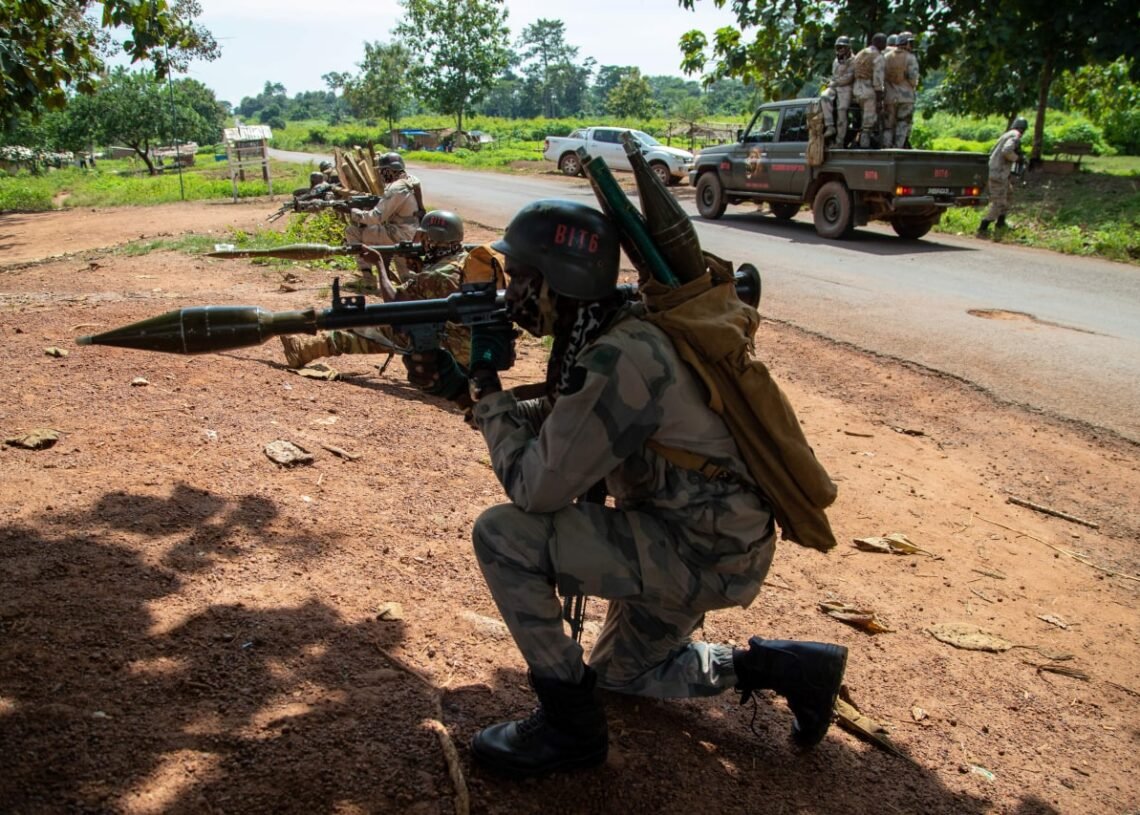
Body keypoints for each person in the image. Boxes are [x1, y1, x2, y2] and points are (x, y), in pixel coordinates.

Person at [404, 199, 848, 778]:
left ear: (558, 280)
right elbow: (571, 421)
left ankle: (570, 727)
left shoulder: (622, 355)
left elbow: (536, 489)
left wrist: (488, 388)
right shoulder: (614, 327)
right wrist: (469, 395)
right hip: (703, 539)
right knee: (623, 674)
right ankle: (788, 668)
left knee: (504, 535)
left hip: (700, 554)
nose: (510, 293)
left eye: (522, 278)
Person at [280, 210, 472, 369]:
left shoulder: (436, 275)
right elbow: (440, 290)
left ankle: (305, 349)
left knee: (381, 326)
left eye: (424, 237)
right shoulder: (465, 260)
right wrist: (421, 269)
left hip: (457, 349)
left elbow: (396, 307)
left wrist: (380, 265)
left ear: (434, 239)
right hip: (473, 344)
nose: (420, 242)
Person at [345, 152, 420, 290]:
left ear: (389, 170)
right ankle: (409, 284)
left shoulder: (396, 188)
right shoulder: (410, 180)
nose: (380, 174)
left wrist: (353, 212)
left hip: (399, 234)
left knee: (353, 232)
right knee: (407, 278)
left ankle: (368, 278)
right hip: (412, 232)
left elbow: (375, 217)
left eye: (382, 171)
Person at [978, 117, 1029, 237]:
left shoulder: (1008, 134)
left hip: (999, 172)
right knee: (999, 202)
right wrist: (1018, 158)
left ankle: (1001, 223)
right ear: (1023, 129)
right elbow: (1006, 151)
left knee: (1008, 195)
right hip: (998, 174)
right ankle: (984, 226)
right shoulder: (1015, 135)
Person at [883, 32, 920, 148]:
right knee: (902, 123)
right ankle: (898, 148)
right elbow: (913, 78)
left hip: (889, 97)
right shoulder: (910, 58)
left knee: (888, 125)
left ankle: (886, 147)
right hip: (906, 97)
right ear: (906, 43)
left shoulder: (886, 57)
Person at [851, 33, 887, 148]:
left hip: (856, 88)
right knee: (868, 121)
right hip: (868, 88)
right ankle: (864, 145)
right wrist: (879, 97)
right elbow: (878, 79)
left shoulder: (861, 53)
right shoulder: (878, 56)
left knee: (861, 116)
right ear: (880, 43)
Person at [821, 36, 856, 147]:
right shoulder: (836, 61)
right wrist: (831, 82)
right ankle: (830, 126)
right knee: (824, 96)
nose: (840, 49)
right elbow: (834, 76)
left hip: (846, 87)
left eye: (843, 47)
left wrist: (836, 83)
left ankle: (840, 141)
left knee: (842, 110)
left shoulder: (853, 60)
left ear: (848, 48)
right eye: (839, 47)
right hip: (835, 86)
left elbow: (849, 78)